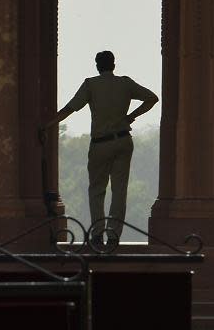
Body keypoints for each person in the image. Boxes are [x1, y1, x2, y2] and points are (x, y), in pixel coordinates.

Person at [40, 51, 158, 246]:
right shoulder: (125, 83)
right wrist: (131, 116)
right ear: (113, 64)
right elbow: (152, 98)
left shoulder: (91, 85)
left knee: (97, 190)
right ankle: (113, 236)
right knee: (119, 191)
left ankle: (97, 235)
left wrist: (47, 125)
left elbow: (70, 109)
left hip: (100, 143)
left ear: (97, 65)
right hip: (123, 140)